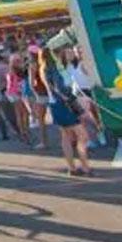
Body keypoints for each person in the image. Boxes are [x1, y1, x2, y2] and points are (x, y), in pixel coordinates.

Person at [39, 49, 92, 177]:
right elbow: (60, 87)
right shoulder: (55, 68)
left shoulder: (44, 68)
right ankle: (85, 166)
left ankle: (72, 167)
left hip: (55, 104)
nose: (71, 53)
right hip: (65, 103)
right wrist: (68, 98)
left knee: (66, 137)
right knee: (82, 135)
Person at [25, 47, 50, 150]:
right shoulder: (45, 63)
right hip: (49, 91)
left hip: (40, 92)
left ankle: (44, 142)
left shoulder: (32, 66)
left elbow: (31, 83)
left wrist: (35, 94)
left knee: (41, 119)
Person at [6, 58, 32, 145]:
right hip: (18, 93)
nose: (20, 62)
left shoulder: (11, 72)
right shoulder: (16, 72)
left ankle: (23, 133)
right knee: (24, 113)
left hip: (13, 94)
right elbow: (17, 84)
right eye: (18, 61)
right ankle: (25, 133)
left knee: (19, 114)